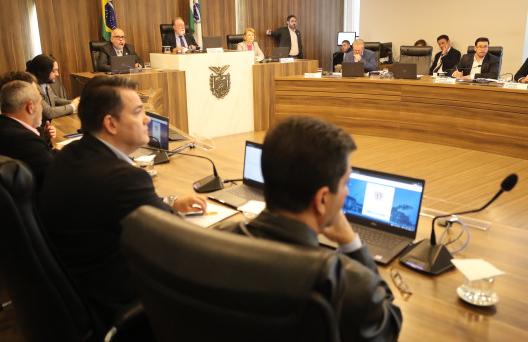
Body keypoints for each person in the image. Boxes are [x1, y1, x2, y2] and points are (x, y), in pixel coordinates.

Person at [38, 76, 206, 331]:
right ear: (111, 124)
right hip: (119, 307)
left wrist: (170, 202)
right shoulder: (124, 179)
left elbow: (113, 207)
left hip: (75, 297)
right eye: (139, 112)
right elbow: (176, 241)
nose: (147, 120)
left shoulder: (70, 154)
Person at [219, 116, 402, 342]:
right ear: (322, 199)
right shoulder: (349, 284)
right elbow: (388, 327)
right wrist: (350, 243)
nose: (346, 192)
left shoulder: (217, 242)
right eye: (345, 183)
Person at [0, 77, 55, 190]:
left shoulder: (5, 126)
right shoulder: (24, 140)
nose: (42, 108)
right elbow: (56, 174)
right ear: (30, 107)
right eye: (40, 103)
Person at [27, 54, 80, 120]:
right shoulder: (33, 88)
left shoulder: (44, 82)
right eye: (53, 71)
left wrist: (75, 102)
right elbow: (48, 113)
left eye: (57, 70)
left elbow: (55, 100)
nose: (57, 74)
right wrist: (73, 106)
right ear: (41, 72)